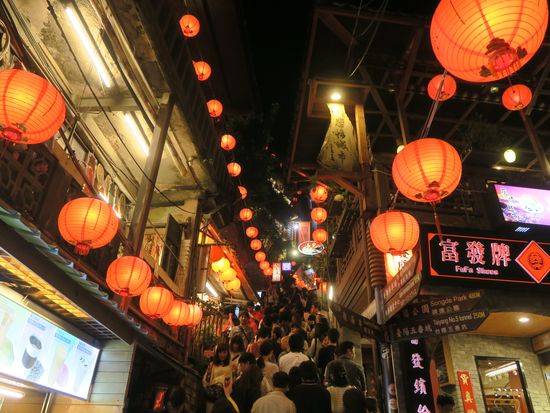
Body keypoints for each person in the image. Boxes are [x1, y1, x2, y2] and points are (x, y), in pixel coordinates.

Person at [203, 343, 234, 412]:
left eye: (224, 352)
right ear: (217, 353)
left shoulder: (230, 364)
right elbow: (206, 380)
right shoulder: (212, 364)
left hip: (224, 395)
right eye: (220, 352)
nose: (222, 355)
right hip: (212, 394)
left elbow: (231, 379)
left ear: (227, 353)